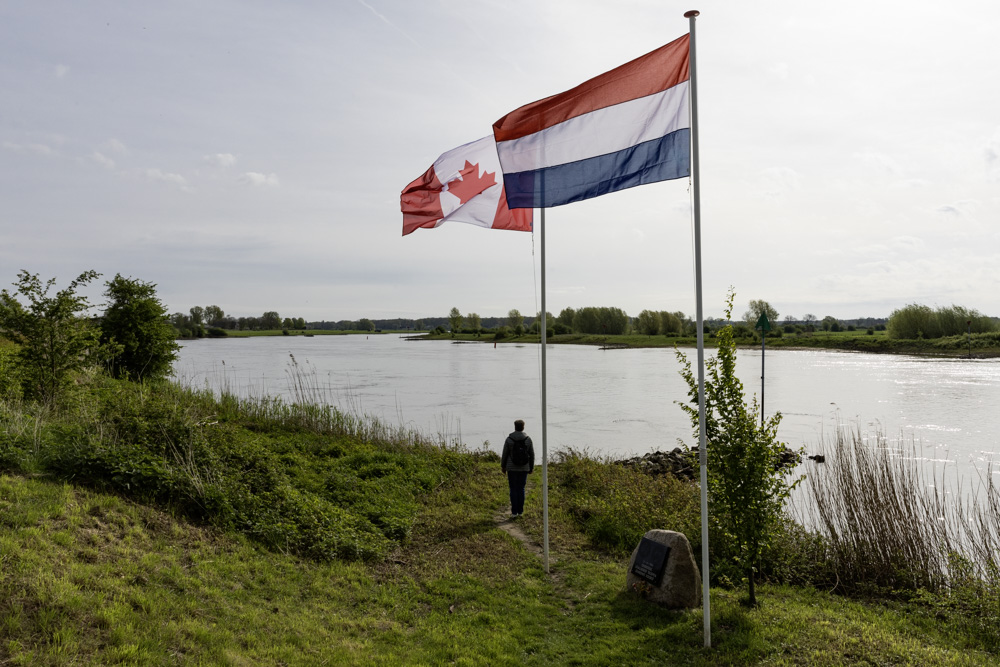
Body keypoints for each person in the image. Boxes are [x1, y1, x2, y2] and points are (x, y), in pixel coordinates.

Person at [500, 419, 534, 519]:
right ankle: (520, 511)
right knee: (521, 489)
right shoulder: (528, 439)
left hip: (511, 468)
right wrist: (531, 467)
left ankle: (514, 512)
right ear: (523, 427)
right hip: (524, 468)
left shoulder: (509, 439)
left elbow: (505, 453)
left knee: (513, 489)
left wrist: (503, 466)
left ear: (515, 427)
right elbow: (531, 454)